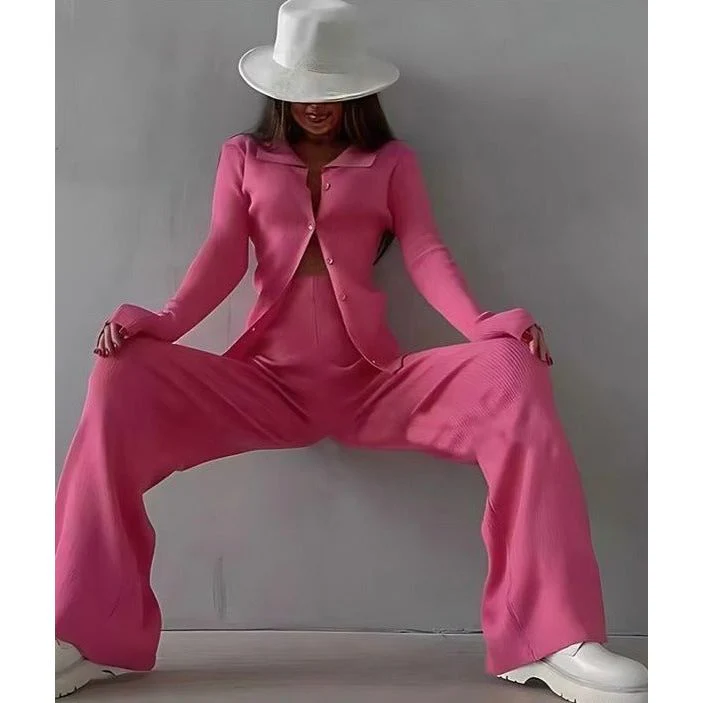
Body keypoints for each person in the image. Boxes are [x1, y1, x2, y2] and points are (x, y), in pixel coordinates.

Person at [54, 1, 648, 701]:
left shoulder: (390, 162)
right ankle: (83, 633)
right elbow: (221, 253)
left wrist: (486, 324)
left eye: (332, 92)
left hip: (375, 382)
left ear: (358, 91)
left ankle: (552, 638)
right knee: (120, 372)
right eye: (304, 91)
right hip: (263, 384)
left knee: (512, 370)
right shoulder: (243, 157)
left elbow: (424, 252)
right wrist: (161, 322)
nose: (316, 106)